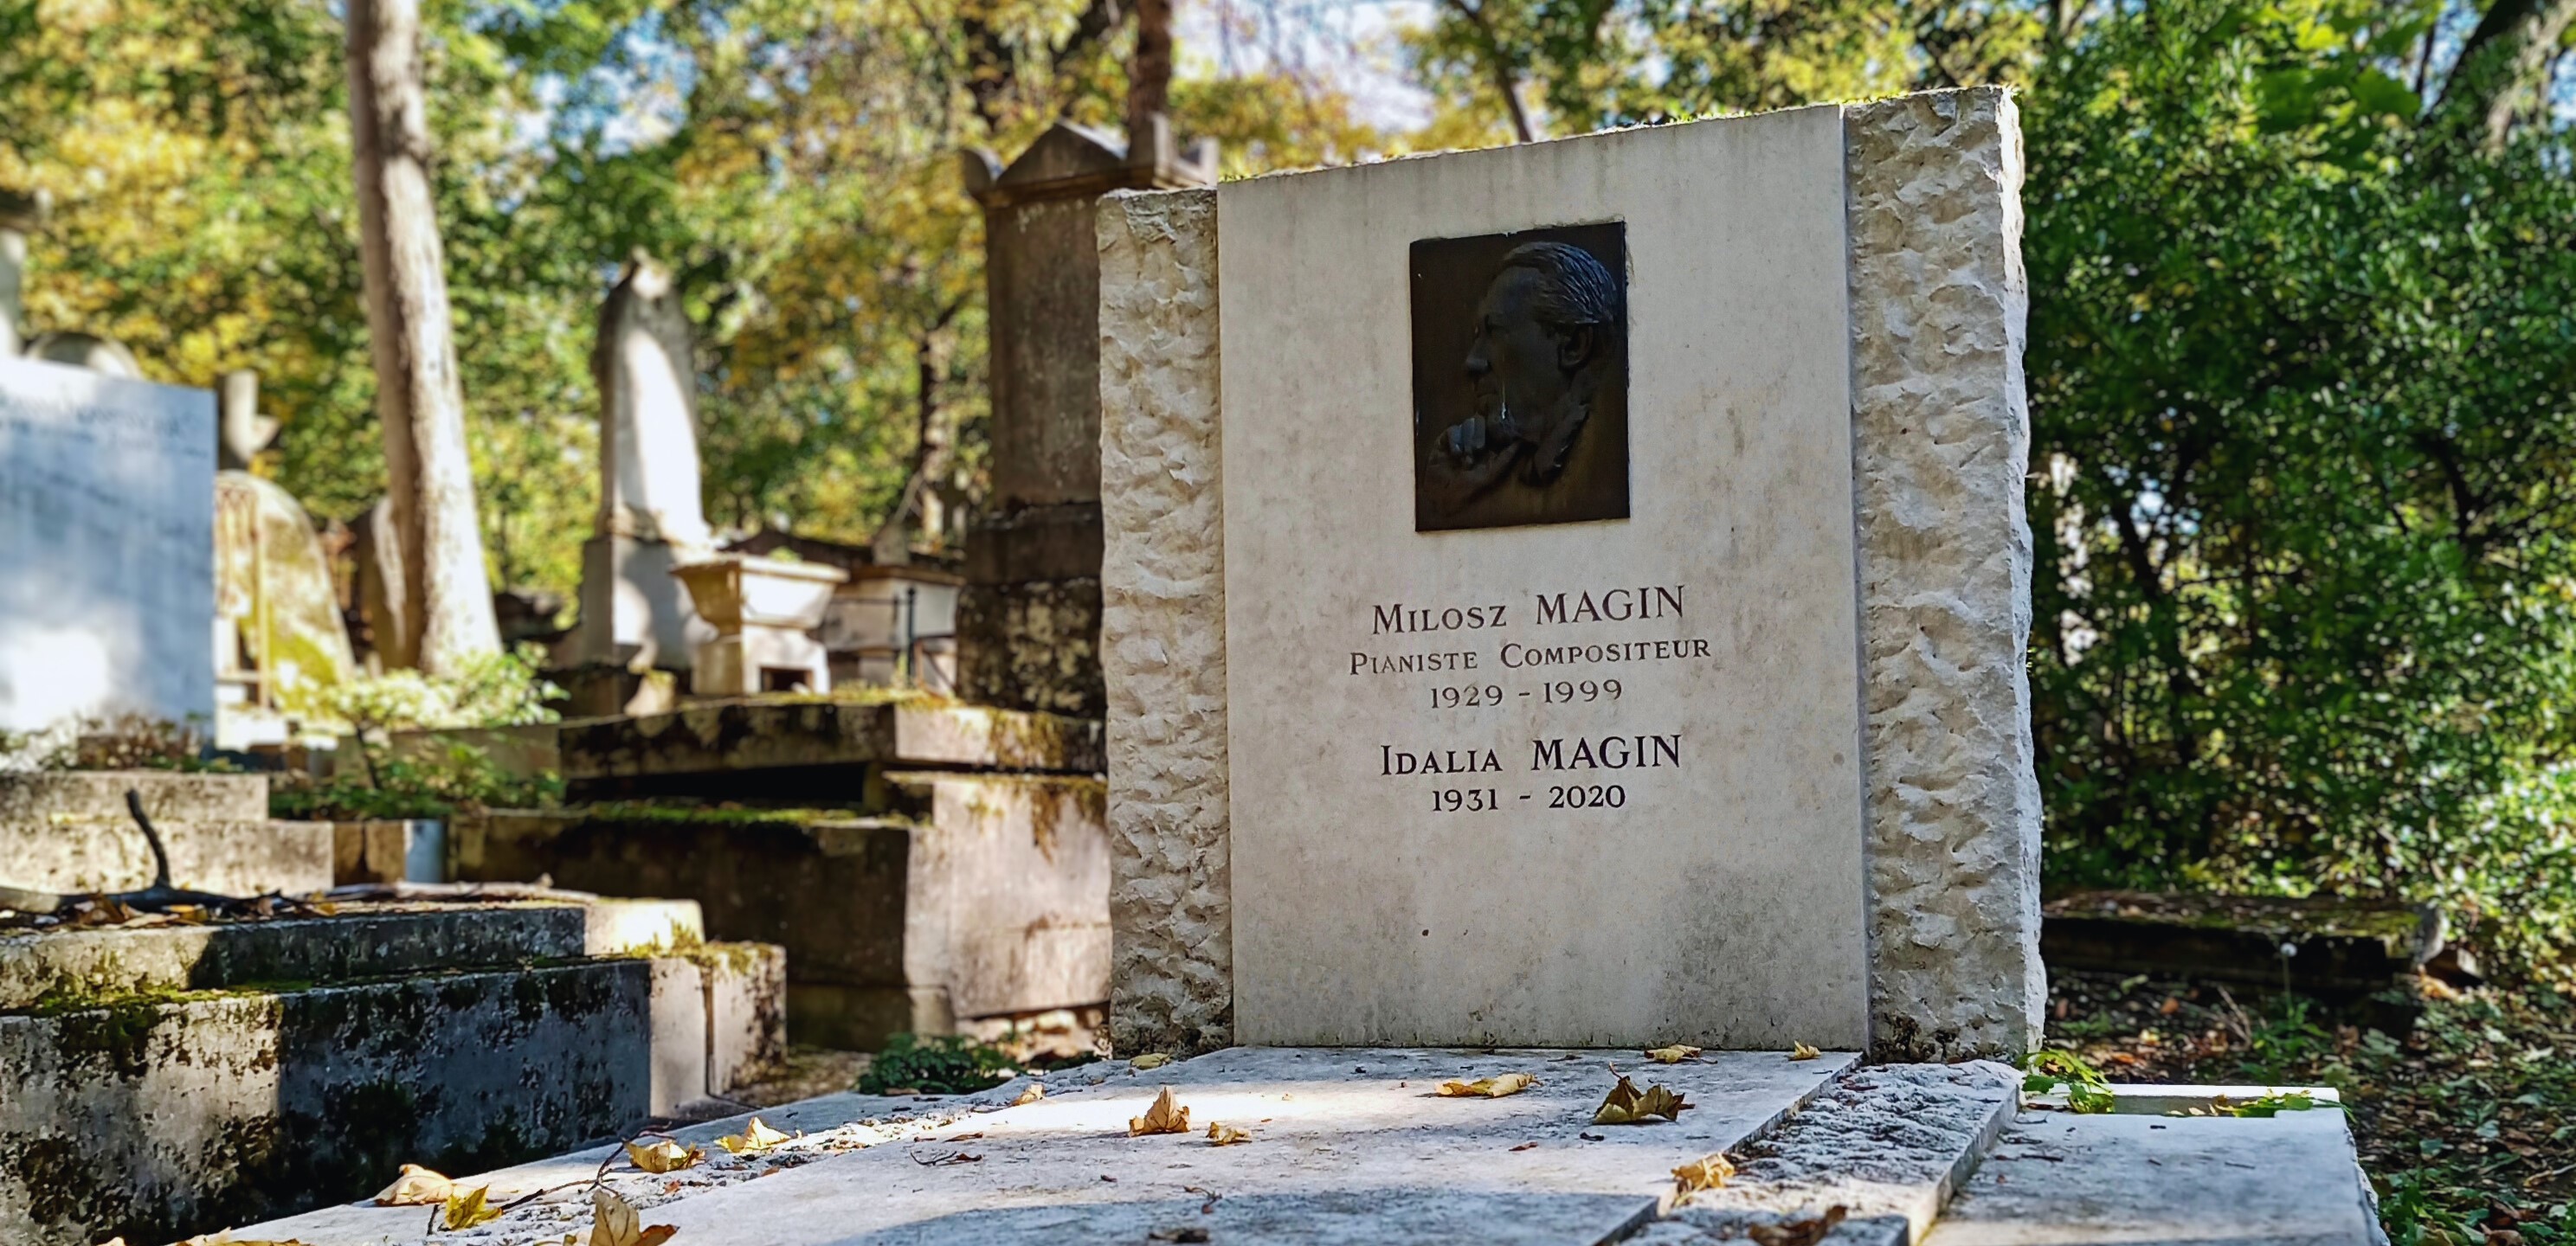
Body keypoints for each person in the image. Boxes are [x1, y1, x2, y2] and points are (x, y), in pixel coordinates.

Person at [1420, 240, 1623, 519]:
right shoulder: (1512, 465)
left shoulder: (1605, 464)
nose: (1472, 361)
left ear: (1574, 346)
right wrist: (1447, 495)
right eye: (1478, 336)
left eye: (1495, 332)